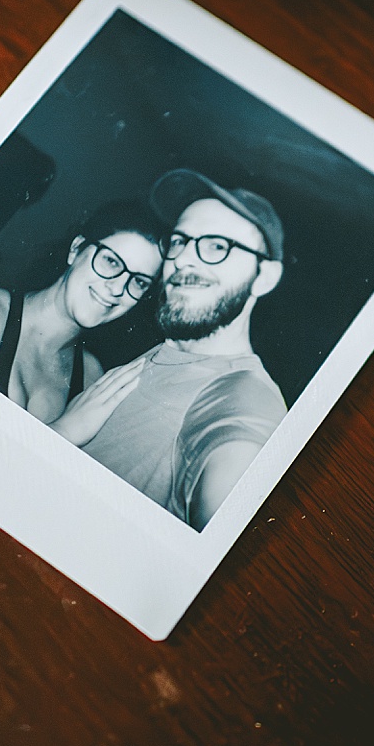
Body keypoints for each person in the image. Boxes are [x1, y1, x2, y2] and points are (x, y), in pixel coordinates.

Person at [80, 169, 287, 531]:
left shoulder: (242, 397)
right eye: (179, 241)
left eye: (216, 246)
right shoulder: (172, 348)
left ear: (265, 277)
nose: (183, 261)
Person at [0, 199, 162, 438]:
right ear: (76, 249)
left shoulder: (91, 377)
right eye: (111, 261)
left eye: (139, 282)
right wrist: (64, 432)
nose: (118, 289)